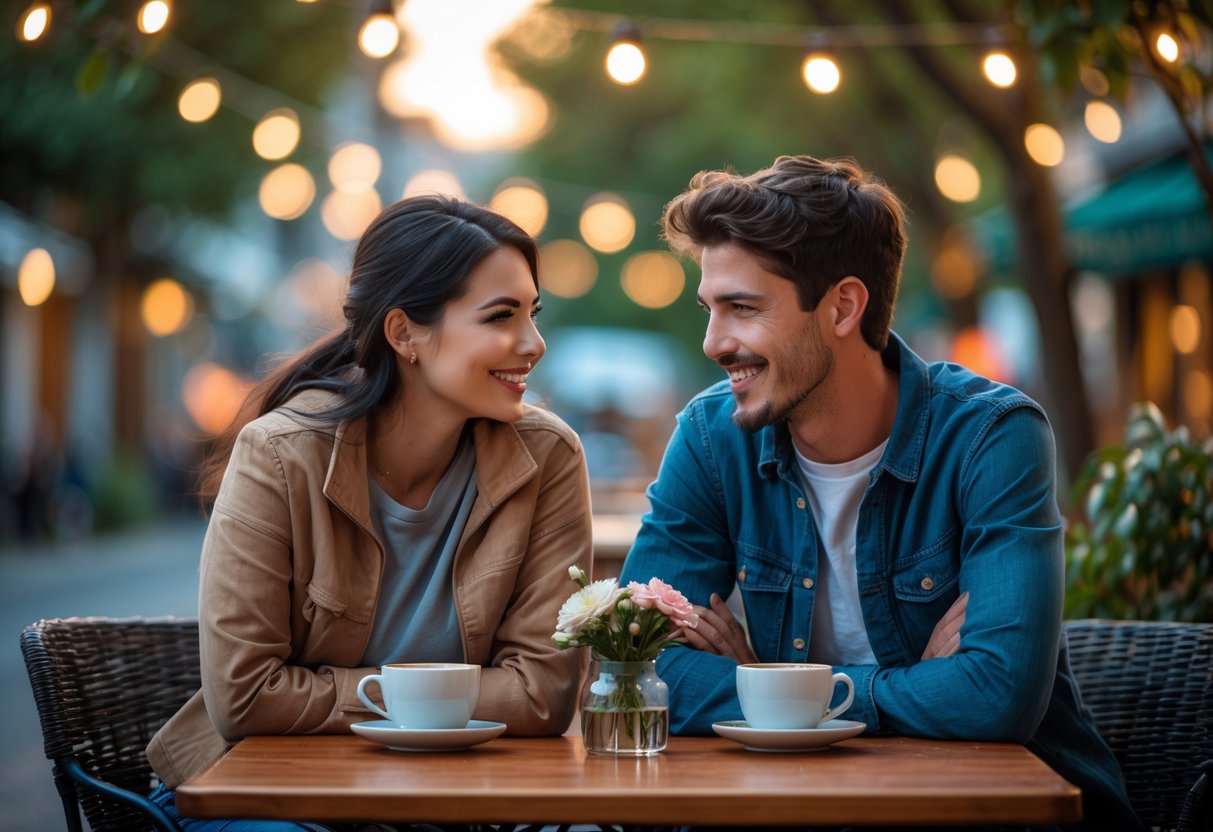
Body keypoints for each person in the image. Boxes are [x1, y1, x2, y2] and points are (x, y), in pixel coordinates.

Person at [619, 155, 1141, 831]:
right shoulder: (711, 436)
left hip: (998, 814)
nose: (714, 341)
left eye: (741, 308)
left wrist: (773, 689)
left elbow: (995, 697)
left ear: (842, 306)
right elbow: (635, 666)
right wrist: (893, 689)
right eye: (710, 309)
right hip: (798, 808)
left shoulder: (991, 437)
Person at [146, 195, 593, 830]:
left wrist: (330, 692)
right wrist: (440, 698)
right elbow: (245, 699)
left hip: (453, 801)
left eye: (533, 314)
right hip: (264, 797)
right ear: (404, 332)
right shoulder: (279, 456)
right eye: (501, 317)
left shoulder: (546, 457)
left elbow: (542, 695)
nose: (534, 343)